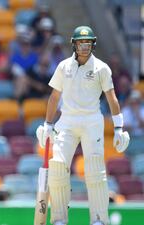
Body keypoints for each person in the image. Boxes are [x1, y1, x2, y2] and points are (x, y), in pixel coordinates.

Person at [36, 26, 130, 225]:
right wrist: (47, 124)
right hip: (67, 121)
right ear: (74, 44)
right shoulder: (63, 66)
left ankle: (99, 220)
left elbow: (111, 98)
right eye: (81, 43)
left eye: (87, 43)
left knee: (95, 170)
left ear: (93, 44)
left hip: (91, 122)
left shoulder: (102, 68)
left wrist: (119, 128)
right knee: (58, 166)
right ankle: (59, 219)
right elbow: (54, 97)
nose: (84, 47)